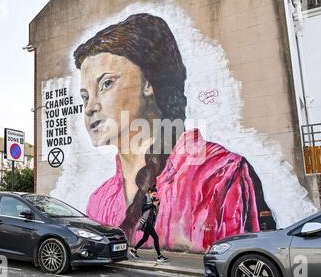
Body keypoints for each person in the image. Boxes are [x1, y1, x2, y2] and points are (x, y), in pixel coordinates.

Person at [74, 13, 276, 252]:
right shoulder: (99, 201)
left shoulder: (219, 174)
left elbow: (245, 261)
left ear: (148, 82)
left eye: (106, 84)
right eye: (85, 96)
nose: (90, 107)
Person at [130, 186, 168, 263]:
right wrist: (152, 205)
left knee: (145, 238)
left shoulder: (152, 199)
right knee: (156, 238)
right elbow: (143, 208)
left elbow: (153, 209)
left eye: (155, 194)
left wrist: (157, 204)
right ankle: (159, 256)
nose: (155, 195)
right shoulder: (145, 198)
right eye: (154, 194)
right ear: (149, 192)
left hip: (150, 221)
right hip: (147, 221)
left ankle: (134, 250)